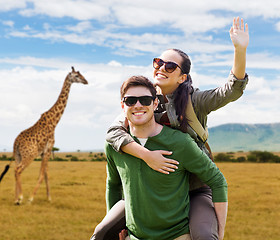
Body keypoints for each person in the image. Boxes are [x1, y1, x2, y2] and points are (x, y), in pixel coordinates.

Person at [91, 17, 249, 240]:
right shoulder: (142, 101)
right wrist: (147, 156)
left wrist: (239, 50)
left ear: (182, 77)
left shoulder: (195, 101)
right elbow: (113, 133)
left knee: (204, 235)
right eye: (158, 62)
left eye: (170, 66)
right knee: (102, 232)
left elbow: (231, 91)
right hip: (153, 187)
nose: (162, 68)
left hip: (194, 185)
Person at [96, 75, 228, 240]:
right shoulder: (114, 146)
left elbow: (217, 180)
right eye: (131, 101)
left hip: (177, 236)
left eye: (145, 100)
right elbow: (113, 185)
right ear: (123, 105)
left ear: (155, 103)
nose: (138, 105)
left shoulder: (180, 142)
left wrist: (220, 232)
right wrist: (115, 227)